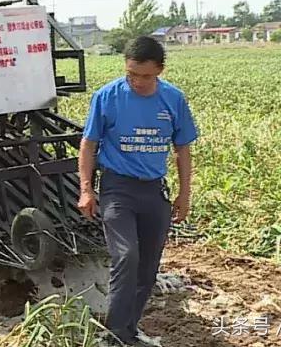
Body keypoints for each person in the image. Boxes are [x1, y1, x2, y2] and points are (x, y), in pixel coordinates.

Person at [76, 36, 198, 347]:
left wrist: (184, 195)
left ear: (160, 70)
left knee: (147, 267)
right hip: (118, 189)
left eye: (145, 76)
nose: (138, 82)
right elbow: (88, 145)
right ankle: (114, 335)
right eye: (131, 74)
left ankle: (127, 331)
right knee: (126, 256)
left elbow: (182, 149)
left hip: (154, 192)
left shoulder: (173, 100)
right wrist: (87, 190)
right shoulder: (107, 97)